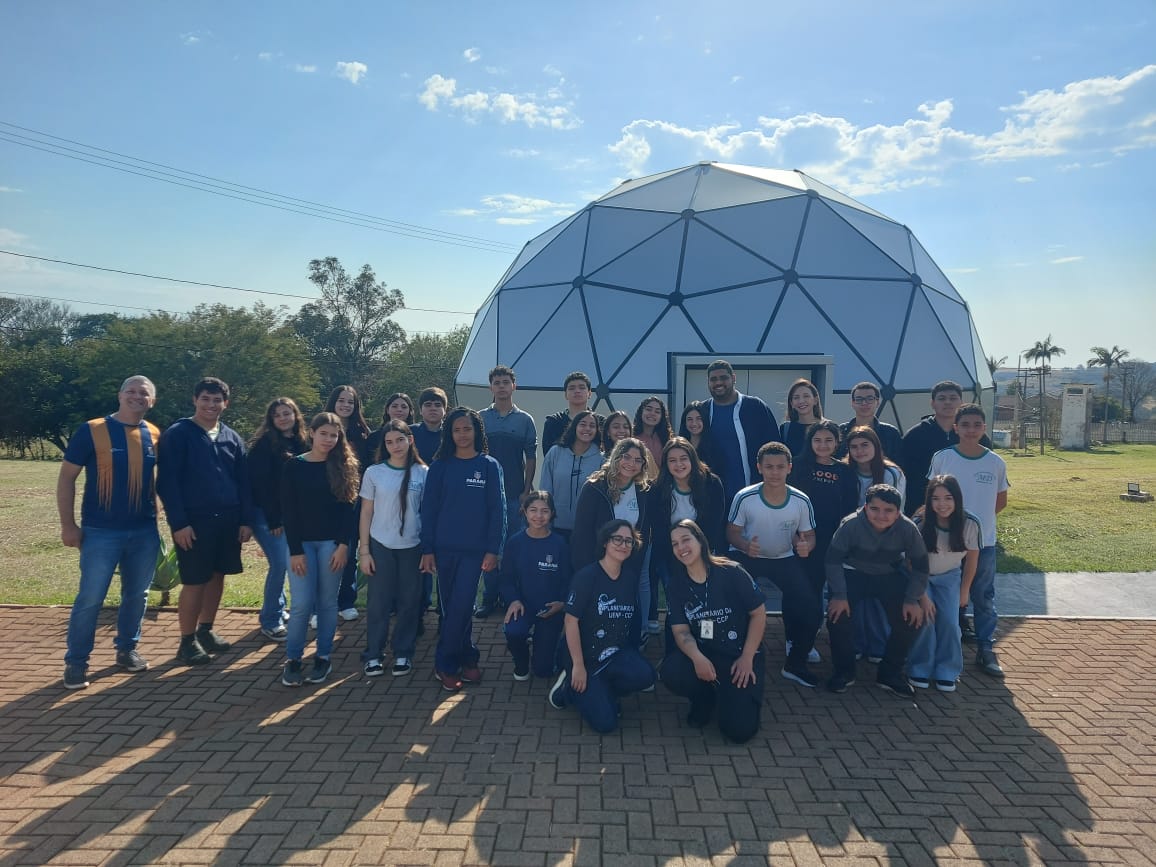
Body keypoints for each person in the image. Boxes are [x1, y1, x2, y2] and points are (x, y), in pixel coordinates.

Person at [58, 375, 162, 689]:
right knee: (90, 598)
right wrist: (68, 525)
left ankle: (127, 650)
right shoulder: (92, 430)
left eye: (143, 393)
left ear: (151, 401)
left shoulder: (154, 433)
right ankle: (77, 663)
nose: (136, 396)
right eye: (130, 391)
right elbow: (66, 479)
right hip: (100, 531)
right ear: (119, 395)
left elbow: (155, 479)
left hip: (144, 531)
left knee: (137, 595)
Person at [156, 377, 254, 666]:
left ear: (226, 403)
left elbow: (244, 482)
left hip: (227, 520)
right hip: (194, 522)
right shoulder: (178, 434)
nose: (211, 405)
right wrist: (179, 523)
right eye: (206, 399)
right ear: (195, 400)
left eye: (217, 400)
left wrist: (245, 520)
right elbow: (168, 483)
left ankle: (206, 630)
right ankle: (186, 641)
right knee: (194, 580)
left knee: (217, 576)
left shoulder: (232, 437)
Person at [420, 407, 506, 691]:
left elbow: (498, 511)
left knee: (461, 605)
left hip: (475, 552)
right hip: (443, 551)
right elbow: (428, 510)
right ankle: (467, 657)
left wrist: (493, 549)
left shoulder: (489, 466)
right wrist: (428, 548)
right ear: (449, 433)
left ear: (477, 431)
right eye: (456, 430)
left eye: (467, 429)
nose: (462, 434)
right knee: (452, 608)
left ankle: (444, 662)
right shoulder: (440, 466)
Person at [726, 442, 822, 687]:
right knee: (731, 603)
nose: (775, 472)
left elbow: (810, 536)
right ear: (759, 468)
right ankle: (730, 651)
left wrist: (806, 546)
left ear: (789, 468)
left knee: (811, 608)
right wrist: (746, 546)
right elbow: (732, 532)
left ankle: (795, 663)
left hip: (784, 559)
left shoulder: (801, 500)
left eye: (780, 467)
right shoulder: (745, 497)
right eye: (769, 467)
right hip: (749, 558)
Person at [547, 519, 657, 733]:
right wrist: (577, 665)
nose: (623, 545)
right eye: (617, 539)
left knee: (645, 676)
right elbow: (570, 621)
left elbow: (631, 620)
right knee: (606, 724)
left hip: (613, 654)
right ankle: (567, 686)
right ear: (605, 542)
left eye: (628, 541)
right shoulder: (586, 577)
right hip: (584, 657)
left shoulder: (630, 578)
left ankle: (601, 690)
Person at [662, 520, 766, 742]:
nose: (681, 548)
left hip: (739, 655)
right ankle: (704, 698)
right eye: (675, 544)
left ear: (700, 540)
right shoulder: (676, 585)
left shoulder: (731, 572)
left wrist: (747, 657)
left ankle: (736, 698)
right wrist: (697, 658)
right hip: (707, 654)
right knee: (672, 671)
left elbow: (759, 614)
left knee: (738, 732)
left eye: (686, 539)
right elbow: (681, 632)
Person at [928, 403, 1010, 678]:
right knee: (948, 593)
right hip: (947, 542)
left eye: (977, 425)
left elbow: (999, 502)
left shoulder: (995, 462)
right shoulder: (943, 457)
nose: (971, 430)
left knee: (983, 596)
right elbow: (932, 497)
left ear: (984, 428)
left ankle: (986, 648)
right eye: (965, 425)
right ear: (956, 428)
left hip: (983, 541)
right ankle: (946, 646)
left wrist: (975, 527)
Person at [824, 484, 929, 697]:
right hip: (853, 573)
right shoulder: (850, 525)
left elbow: (920, 566)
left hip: (888, 575)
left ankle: (890, 673)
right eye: (875, 509)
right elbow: (832, 561)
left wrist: (912, 598)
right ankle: (844, 672)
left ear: (898, 511)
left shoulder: (908, 529)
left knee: (910, 618)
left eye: (888, 510)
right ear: (865, 507)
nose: (881, 515)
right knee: (837, 616)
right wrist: (839, 595)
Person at [280, 412, 360, 686]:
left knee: (327, 604)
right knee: (301, 604)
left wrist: (343, 546)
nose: (328, 439)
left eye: (334, 435)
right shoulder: (294, 466)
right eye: (323, 433)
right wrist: (294, 550)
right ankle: (293, 660)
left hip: (331, 546)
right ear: (312, 433)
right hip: (301, 545)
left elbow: (348, 511)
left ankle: (323, 657)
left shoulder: (344, 466)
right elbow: (288, 511)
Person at [359, 419, 427, 678]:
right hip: (380, 546)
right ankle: (373, 654)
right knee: (379, 603)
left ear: (410, 440)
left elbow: (427, 513)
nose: (395, 446)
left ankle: (403, 652)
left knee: (410, 602)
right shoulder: (374, 473)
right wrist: (364, 551)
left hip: (412, 546)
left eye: (400, 439)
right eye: (389, 442)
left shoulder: (423, 472)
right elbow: (366, 513)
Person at [647, 437, 725, 644]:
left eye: (683, 458)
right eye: (672, 460)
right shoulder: (657, 489)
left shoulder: (711, 483)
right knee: (677, 603)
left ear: (693, 459)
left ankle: (707, 643)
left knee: (705, 603)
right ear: (665, 464)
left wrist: (697, 556)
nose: (678, 464)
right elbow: (659, 529)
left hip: (703, 553)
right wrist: (679, 554)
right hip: (670, 554)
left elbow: (714, 525)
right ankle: (675, 650)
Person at [907, 475, 979, 691]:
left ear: (957, 499)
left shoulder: (970, 523)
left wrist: (964, 591)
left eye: (948, 498)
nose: (942, 504)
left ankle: (947, 669)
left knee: (949, 621)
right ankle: (919, 667)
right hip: (922, 577)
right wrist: (922, 596)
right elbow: (910, 563)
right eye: (935, 499)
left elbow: (972, 561)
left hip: (950, 577)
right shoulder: (920, 523)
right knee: (926, 619)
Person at [477, 365, 537, 617]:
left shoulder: (525, 420)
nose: (501, 386)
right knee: (489, 549)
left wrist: (526, 490)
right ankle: (490, 598)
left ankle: (513, 597)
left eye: (505, 382)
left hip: (514, 495)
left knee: (513, 549)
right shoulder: (479, 417)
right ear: (491, 387)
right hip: (484, 496)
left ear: (514, 386)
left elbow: (531, 457)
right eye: (497, 382)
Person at [247, 398, 309, 642]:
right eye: (277, 415)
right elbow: (261, 486)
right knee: (281, 564)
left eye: (287, 413)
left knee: (285, 563)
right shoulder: (264, 445)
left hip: (292, 514)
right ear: (271, 420)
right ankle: (270, 620)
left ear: (295, 415)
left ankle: (278, 609)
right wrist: (273, 520)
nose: (283, 418)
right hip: (267, 516)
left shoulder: (302, 441)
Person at [844, 425, 906, 663]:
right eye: (854, 446)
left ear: (876, 446)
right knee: (857, 601)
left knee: (880, 600)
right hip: (853, 543)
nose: (860, 451)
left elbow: (898, 510)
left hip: (885, 543)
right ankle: (858, 644)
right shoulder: (845, 471)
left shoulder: (892, 474)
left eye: (865, 445)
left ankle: (879, 645)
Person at [501, 491, 570, 681]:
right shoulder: (515, 543)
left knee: (543, 671)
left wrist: (562, 604)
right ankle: (521, 660)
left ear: (552, 514)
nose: (538, 516)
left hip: (550, 609)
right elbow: (505, 579)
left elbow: (568, 579)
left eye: (544, 511)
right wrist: (513, 600)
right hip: (523, 606)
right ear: (524, 512)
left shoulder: (560, 544)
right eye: (533, 510)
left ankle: (549, 647)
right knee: (514, 632)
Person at [900, 381, 992, 516]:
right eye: (942, 398)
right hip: (923, 510)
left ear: (961, 402)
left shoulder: (978, 437)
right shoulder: (915, 435)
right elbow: (905, 474)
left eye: (953, 398)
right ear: (932, 403)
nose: (948, 402)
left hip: (966, 509)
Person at [701, 360, 780, 508]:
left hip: (755, 495)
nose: (718, 383)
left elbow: (775, 449)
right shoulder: (702, 411)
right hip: (714, 498)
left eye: (724, 378)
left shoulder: (755, 407)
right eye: (713, 379)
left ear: (734, 378)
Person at [324, 385, 372, 621]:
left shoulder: (361, 434)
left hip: (353, 502)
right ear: (333, 402)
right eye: (341, 400)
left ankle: (345, 601)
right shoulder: (321, 429)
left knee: (349, 552)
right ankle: (320, 605)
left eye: (350, 402)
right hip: (324, 503)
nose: (345, 405)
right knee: (324, 555)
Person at [538, 410, 605, 541]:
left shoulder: (602, 460)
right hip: (555, 527)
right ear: (574, 427)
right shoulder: (555, 453)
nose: (587, 429)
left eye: (592, 426)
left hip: (586, 531)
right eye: (583, 424)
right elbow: (545, 490)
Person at [835, 382, 904, 466]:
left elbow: (899, 464)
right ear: (852, 403)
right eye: (859, 399)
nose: (864, 403)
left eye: (870, 399)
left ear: (878, 402)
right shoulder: (840, 431)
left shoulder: (890, 433)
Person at [540, 371, 604, 457]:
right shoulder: (554, 422)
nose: (577, 391)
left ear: (589, 393)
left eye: (582, 388)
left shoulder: (601, 422)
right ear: (565, 394)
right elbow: (549, 457)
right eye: (572, 388)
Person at [779, 379, 825, 458]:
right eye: (796, 397)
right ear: (791, 403)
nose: (801, 401)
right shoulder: (785, 429)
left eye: (806, 396)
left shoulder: (828, 427)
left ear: (815, 400)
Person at [364, 392, 416, 461]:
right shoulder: (374, 437)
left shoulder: (417, 434)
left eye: (404, 407)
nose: (399, 409)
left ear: (410, 411)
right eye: (395, 406)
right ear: (387, 410)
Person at [633, 395, 673, 476]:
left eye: (657, 412)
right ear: (641, 411)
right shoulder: (631, 437)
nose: (652, 414)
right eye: (648, 409)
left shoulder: (667, 439)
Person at [412, 387, 448, 465]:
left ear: (445, 410)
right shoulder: (409, 432)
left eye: (437, 405)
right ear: (420, 410)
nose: (433, 408)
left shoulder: (451, 433)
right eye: (428, 405)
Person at [678, 401, 714, 469]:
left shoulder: (714, 448)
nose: (694, 423)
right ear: (684, 422)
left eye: (698, 419)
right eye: (689, 419)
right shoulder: (678, 446)